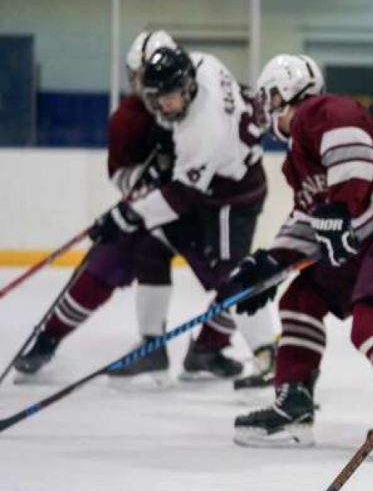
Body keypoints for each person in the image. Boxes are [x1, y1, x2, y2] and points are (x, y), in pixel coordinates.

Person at [223, 54, 373, 459]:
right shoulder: (297, 159)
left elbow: (350, 161)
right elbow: (311, 218)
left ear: (281, 94)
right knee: (299, 299)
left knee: (371, 318)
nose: (266, 110)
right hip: (369, 231)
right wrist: (271, 262)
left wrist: (340, 208)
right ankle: (294, 406)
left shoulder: (325, 110)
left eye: (268, 98)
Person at [87, 45, 278, 382]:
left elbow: (181, 196)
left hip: (231, 196)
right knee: (152, 248)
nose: (162, 106)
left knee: (232, 276)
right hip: (217, 181)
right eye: (155, 98)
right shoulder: (203, 62)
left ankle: (267, 354)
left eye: (170, 98)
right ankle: (154, 348)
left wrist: (127, 216)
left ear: (188, 87)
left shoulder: (201, 133)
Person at [13, 30, 181, 383]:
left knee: (229, 270)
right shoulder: (126, 118)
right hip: (148, 207)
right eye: (135, 76)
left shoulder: (195, 107)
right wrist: (145, 177)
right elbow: (120, 175)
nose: (141, 85)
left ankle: (212, 348)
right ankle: (49, 337)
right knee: (102, 263)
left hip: (196, 208)